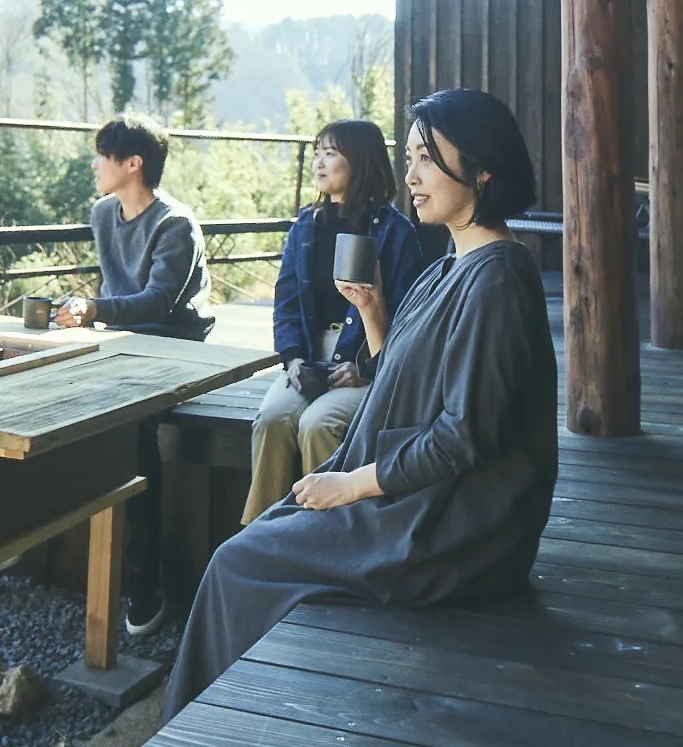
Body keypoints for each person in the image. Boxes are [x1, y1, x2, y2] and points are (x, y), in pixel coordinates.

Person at [162, 89, 558, 722]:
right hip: (426, 499)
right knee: (262, 537)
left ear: (482, 167)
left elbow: (463, 436)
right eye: (409, 159)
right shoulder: (449, 266)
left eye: (428, 158)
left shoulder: (497, 280)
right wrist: (373, 314)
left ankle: (199, 725)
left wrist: (351, 486)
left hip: (460, 529)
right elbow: (402, 375)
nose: (413, 176)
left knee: (238, 563)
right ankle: (208, 717)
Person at [50, 114, 211, 634]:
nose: (94, 165)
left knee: (130, 424)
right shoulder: (102, 214)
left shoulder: (174, 223)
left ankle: (145, 582)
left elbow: (160, 302)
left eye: (103, 156)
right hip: (121, 342)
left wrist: (95, 311)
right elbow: (114, 291)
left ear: (133, 164)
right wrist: (84, 316)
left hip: (174, 346)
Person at [243, 119, 423, 524]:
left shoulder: (395, 231)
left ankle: (324, 532)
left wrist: (363, 368)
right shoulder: (305, 226)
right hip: (308, 357)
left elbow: (410, 318)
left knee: (318, 423)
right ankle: (261, 531)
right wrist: (290, 361)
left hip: (368, 363)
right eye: (318, 153)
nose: (319, 164)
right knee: (272, 419)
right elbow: (285, 303)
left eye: (331, 154)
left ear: (359, 162)